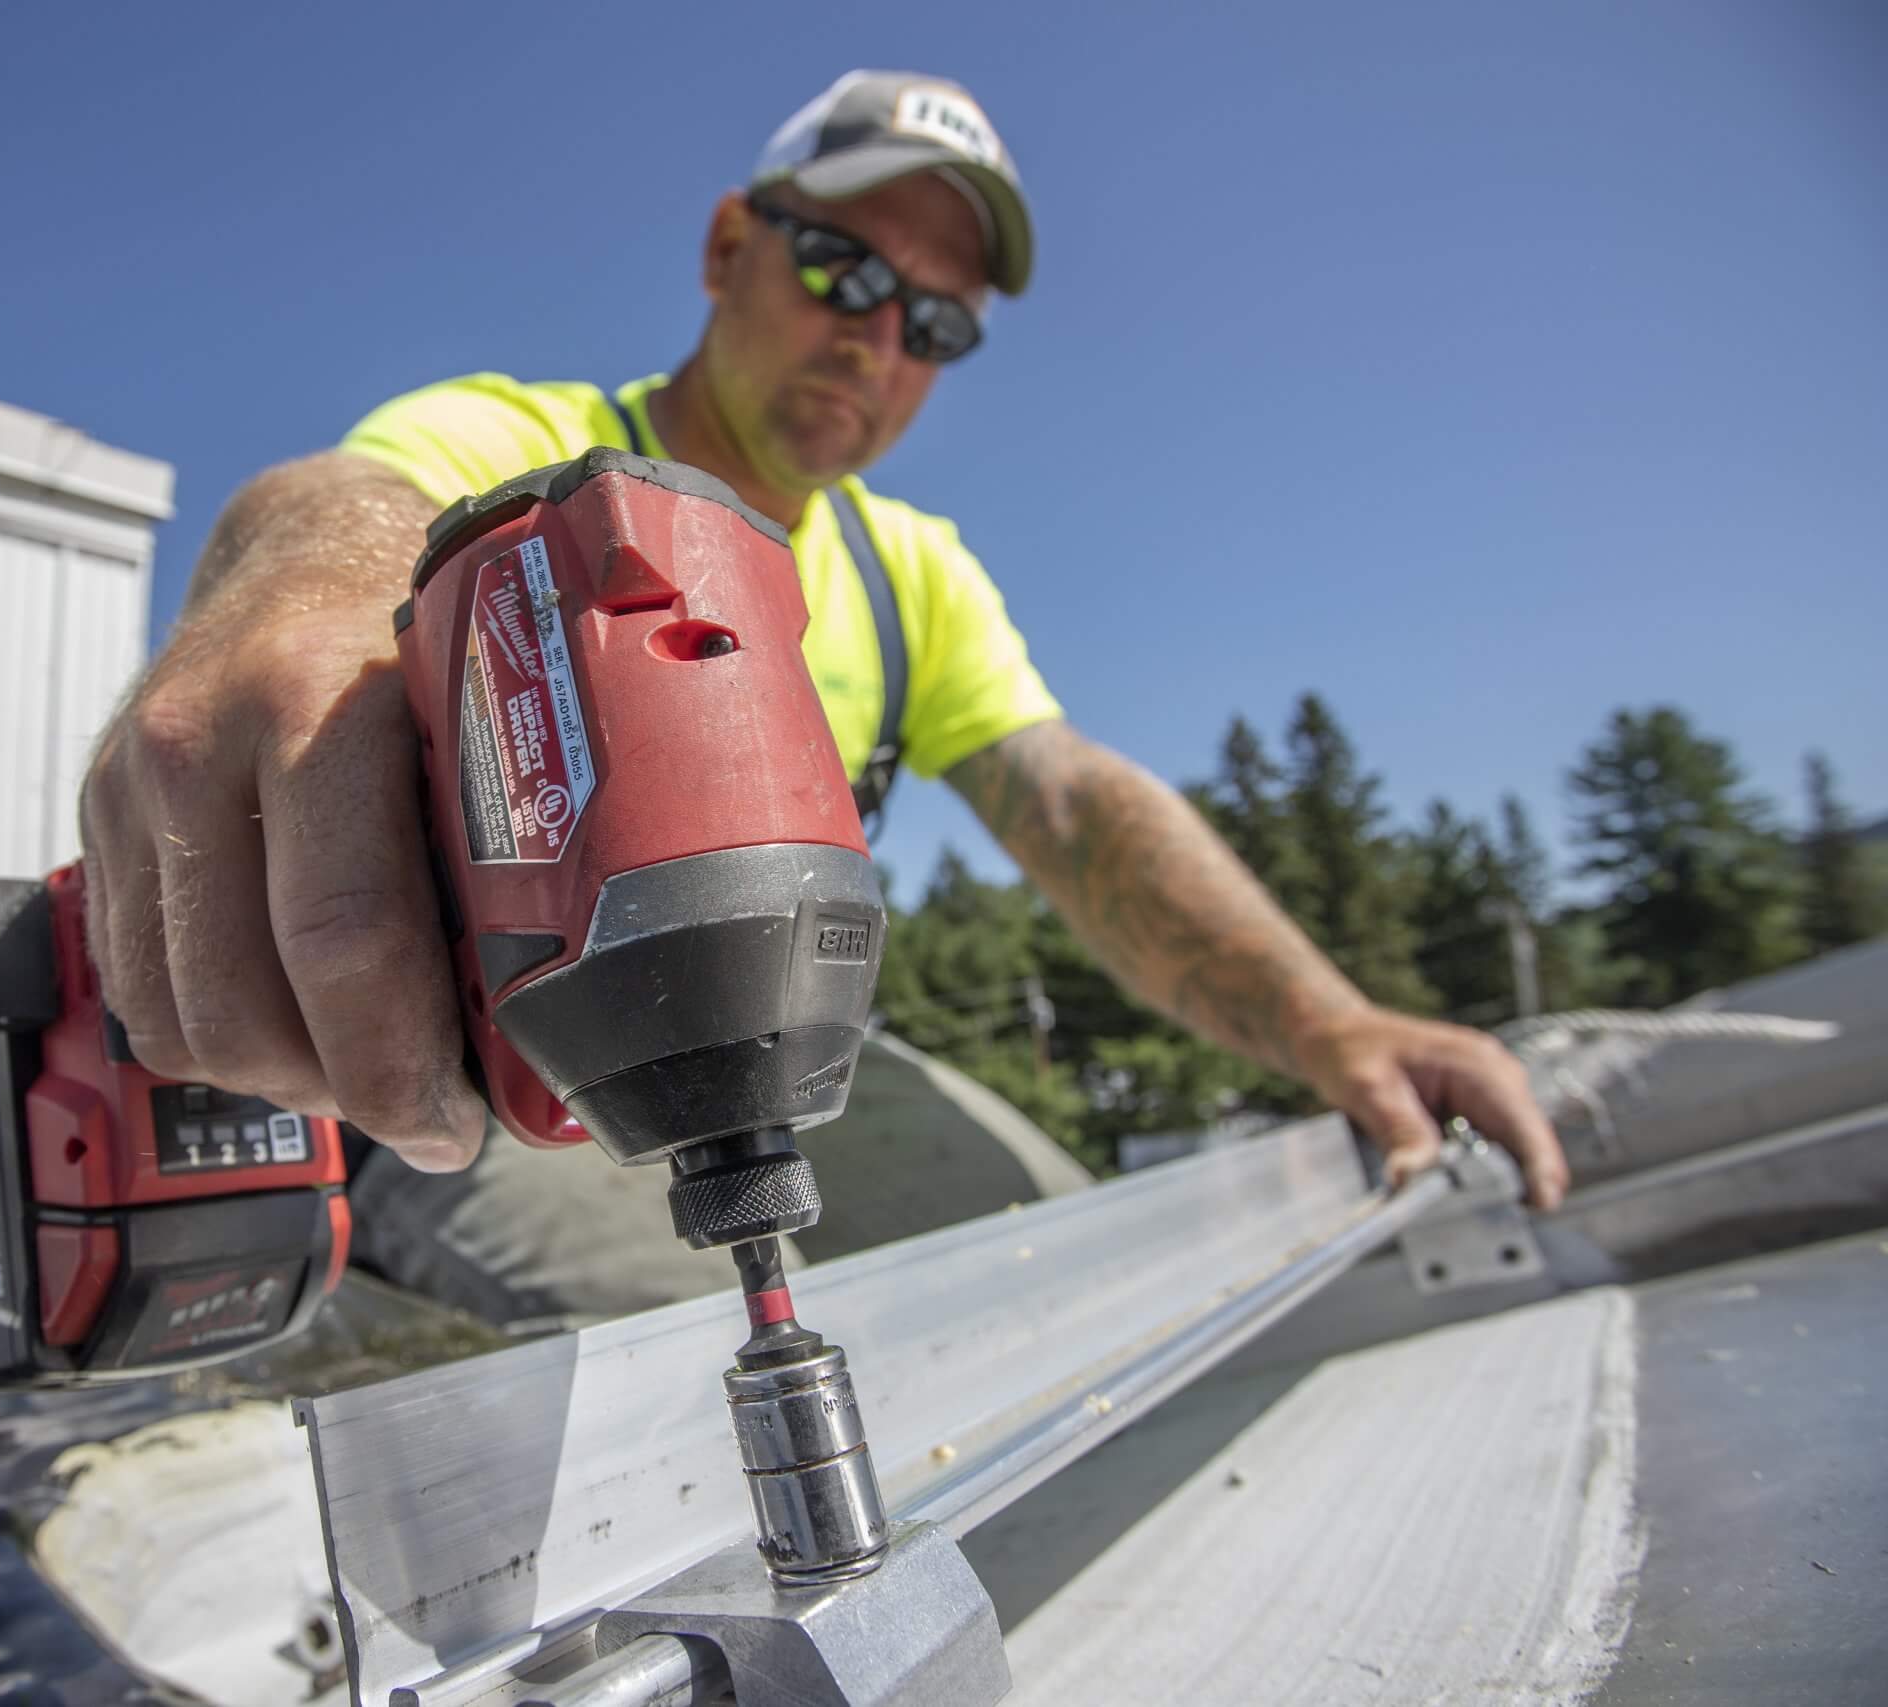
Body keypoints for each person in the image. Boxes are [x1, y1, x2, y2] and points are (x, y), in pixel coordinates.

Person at [80, 70, 1571, 1330]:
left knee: (1055, 1280)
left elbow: (1072, 807)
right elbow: (342, 510)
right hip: (516, 1060)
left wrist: (1333, 1026)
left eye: (940, 323)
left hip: (769, 1048)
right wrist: (308, 571)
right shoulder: (524, 451)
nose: (879, 335)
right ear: (731, 245)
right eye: (847, 271)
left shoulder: (903, 570)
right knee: (675, 1377)